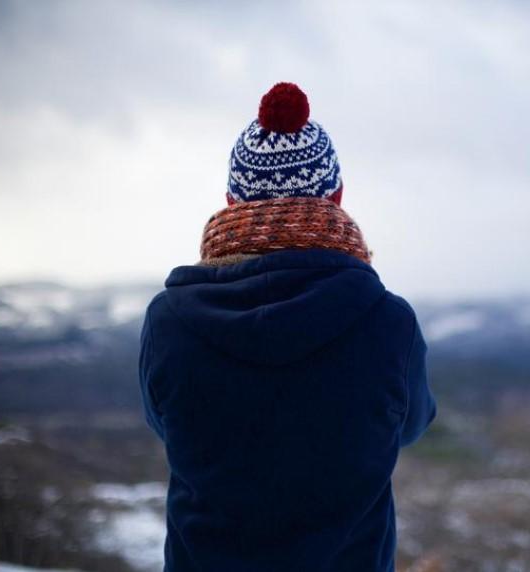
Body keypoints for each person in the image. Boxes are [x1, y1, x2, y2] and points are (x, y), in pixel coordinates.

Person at [138, 82, 437, 572]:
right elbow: (409, 425)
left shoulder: (168, 321)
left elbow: (163, 424)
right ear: (336, 197)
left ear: (231, 200)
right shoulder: (390, 323)